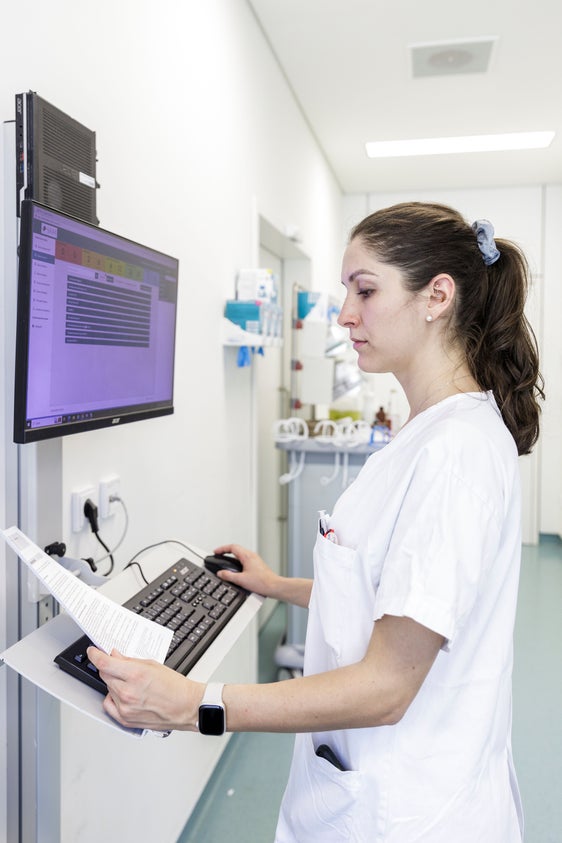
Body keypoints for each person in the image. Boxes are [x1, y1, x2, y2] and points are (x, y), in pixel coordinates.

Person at [88, 202, 544, 842]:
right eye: (345, 292)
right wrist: (276, 585)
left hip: (407, 810)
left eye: (365, 289)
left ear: (437, 296)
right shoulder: (432, 433)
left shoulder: (455, 454)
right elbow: (391, 593)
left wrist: (199, 706)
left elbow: (388, 687)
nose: (345, 314)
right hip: (381, 786)